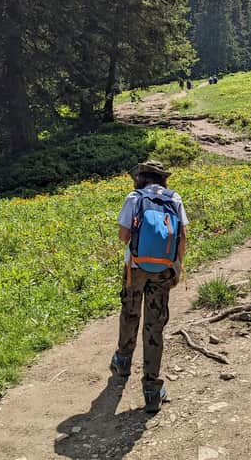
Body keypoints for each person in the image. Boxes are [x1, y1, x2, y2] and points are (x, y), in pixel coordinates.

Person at [112, 160, 188, 413]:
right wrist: (176, 267)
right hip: (163, 270)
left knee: (130, 313)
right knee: (154, 325)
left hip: (135, 268)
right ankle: (152, 391)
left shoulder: (134, 197)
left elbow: (123, 236)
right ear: (163, 179)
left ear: (140, 177)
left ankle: (123, 362)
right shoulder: (173, 198)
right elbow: (182, 237)